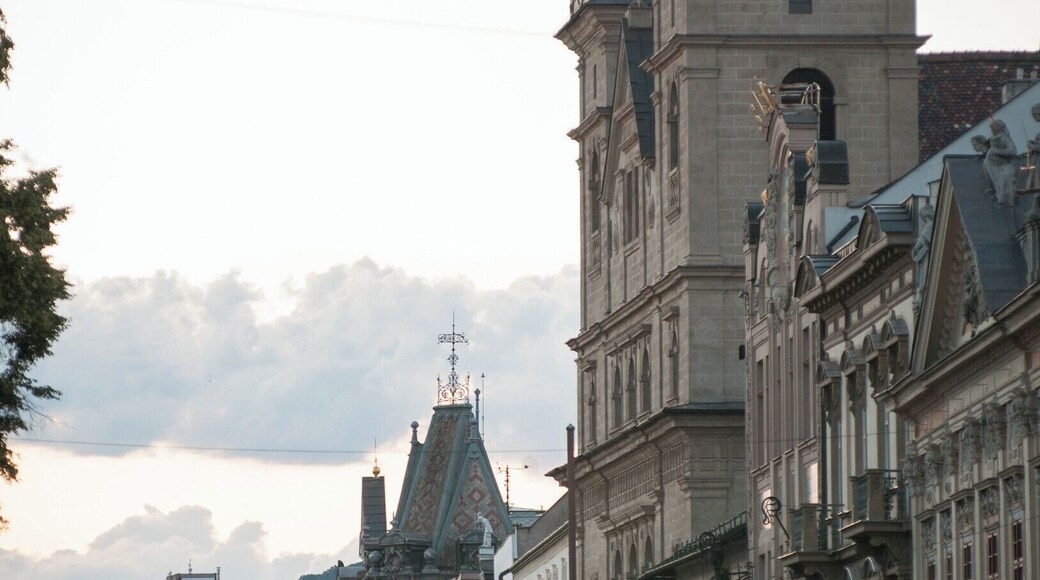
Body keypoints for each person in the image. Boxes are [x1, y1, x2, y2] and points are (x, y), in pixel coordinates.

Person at [983, 119, 1018, 206]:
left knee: (1007, 177)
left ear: (998, 128)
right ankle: (998, 193)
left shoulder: (1005, 138)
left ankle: (1009, 198)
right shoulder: (994, 139)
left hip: (1006, 164)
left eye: (993, 128)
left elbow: (1013, 151)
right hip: (996, 165)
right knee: (997, 179)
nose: (991, 130)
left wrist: (997, 151)